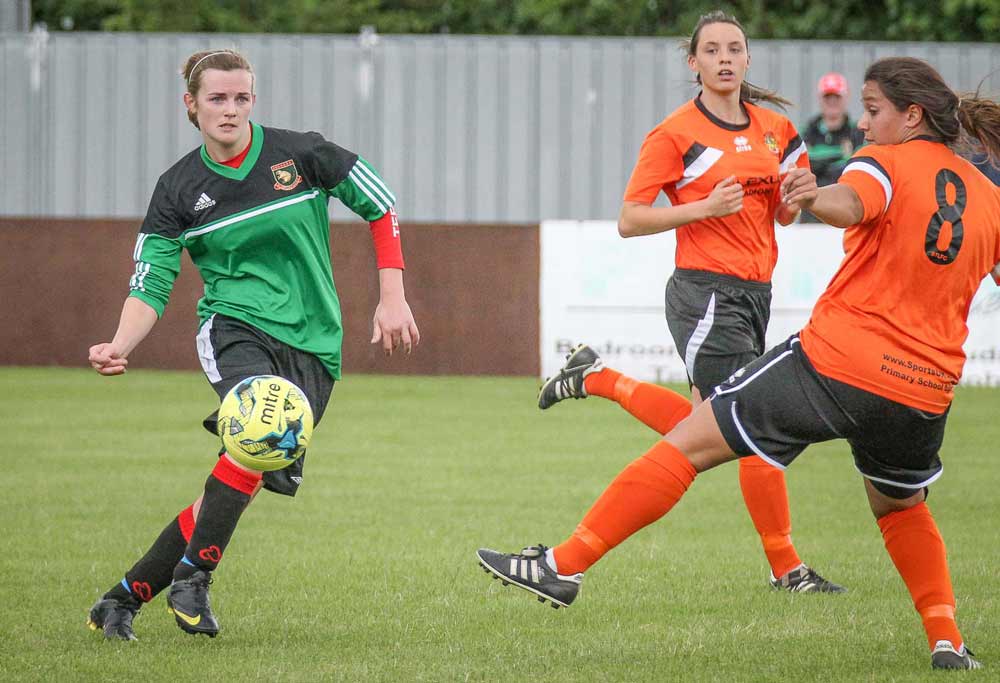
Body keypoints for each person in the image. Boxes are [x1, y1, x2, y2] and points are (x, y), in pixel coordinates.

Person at [480, 56, 1000, 671]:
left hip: (839, 362)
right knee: (900, 506)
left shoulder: (885, 161)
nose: (862, 124)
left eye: (873, 109)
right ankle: (946, 640)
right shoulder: (991, 199)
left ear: (912, 116)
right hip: (925, 391)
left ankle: (561, 567)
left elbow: (855, 202)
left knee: (690, 442)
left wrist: (814, 196)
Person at [86, 49, 420, 641]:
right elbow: (151, 283)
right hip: (234, 328)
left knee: (240, 473)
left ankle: (121, 599)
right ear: (191, 105)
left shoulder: (302, 154)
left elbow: (381, 202)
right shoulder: (178, 189)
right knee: (257, 436)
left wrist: (391, 296)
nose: (231, 110)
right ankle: (194, 578)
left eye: (242, 98)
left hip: (315, 344)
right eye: (216, 98)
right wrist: (120, 342)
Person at [537, 10, 843, 593]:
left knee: (710, 424)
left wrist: (797, 197)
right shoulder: (675, 133)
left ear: (748, 59)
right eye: (713, 50)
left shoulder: (779, 130)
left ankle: (597, 377)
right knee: (752, 420)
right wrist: (702, 208)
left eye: (735, 48)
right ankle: (787, 569)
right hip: (704, 295)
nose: (725, 57)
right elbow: (630, 219)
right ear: (694, 62)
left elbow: (785, 213)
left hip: (756, 294)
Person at [802, 72, 867, 188]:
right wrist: (841, 156)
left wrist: (816, 160)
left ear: (846, 97)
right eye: (828, 97)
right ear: (820, 99)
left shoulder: (859, 132)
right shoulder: (806, 132)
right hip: (812, 199)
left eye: (837, 97)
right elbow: (801, 167)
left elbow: (859, 168)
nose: (832, 102)